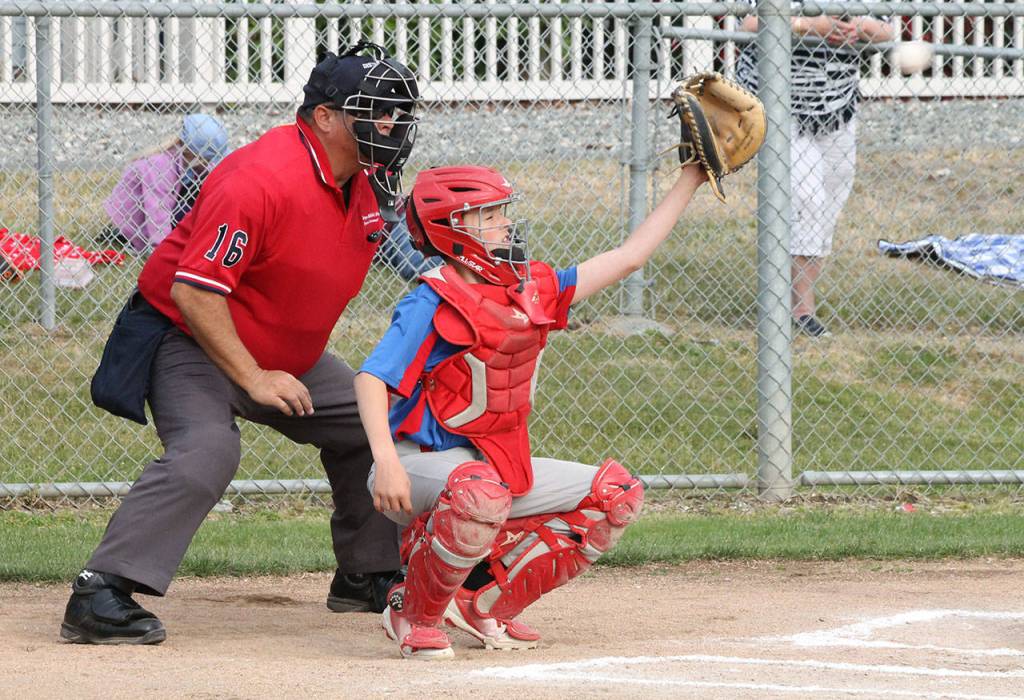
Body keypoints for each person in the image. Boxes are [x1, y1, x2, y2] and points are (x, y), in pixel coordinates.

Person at [60, 42, 420, 645]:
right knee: (207, 450)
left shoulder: (364, 179)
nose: (394, 126)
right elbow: (195, 293)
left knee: (370, 423)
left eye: (397, 113)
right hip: (191, 343)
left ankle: (367, 572)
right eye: (378, 112)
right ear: (326, 117)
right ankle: (100, 592)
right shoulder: (260, 179)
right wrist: (253, 376)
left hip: (286, 353)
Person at [356, 162, 707, 659]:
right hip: (417, 464)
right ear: (452, 230)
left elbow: (629, 258)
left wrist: (690, 177)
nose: (504, 223)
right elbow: (372, 379)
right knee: (480, 494)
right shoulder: (430, 301)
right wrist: (387, 461)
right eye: (488, 215)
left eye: (502, 211)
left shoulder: (528, 289)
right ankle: (413, 614)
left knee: (615, 495)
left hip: (490, 471)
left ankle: (485, 604)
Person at [736, 3, 894, 337]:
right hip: (778, 99)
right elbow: (748, 24)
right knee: (806, 195)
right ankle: (800, 308)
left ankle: (792, 299)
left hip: (836, 103)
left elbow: (886, 30)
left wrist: (860, 28)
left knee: (834, 190)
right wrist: (806, 25)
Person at [103, 114, 230, 254]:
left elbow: (211, 173)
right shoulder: (160, 166)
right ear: (194, 155)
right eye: (207, 160)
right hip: (134, 223)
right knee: (194, 213)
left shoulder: (186, 158)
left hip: (165, 207)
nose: (210, 165)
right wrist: (163, 251)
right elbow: (157, 212)